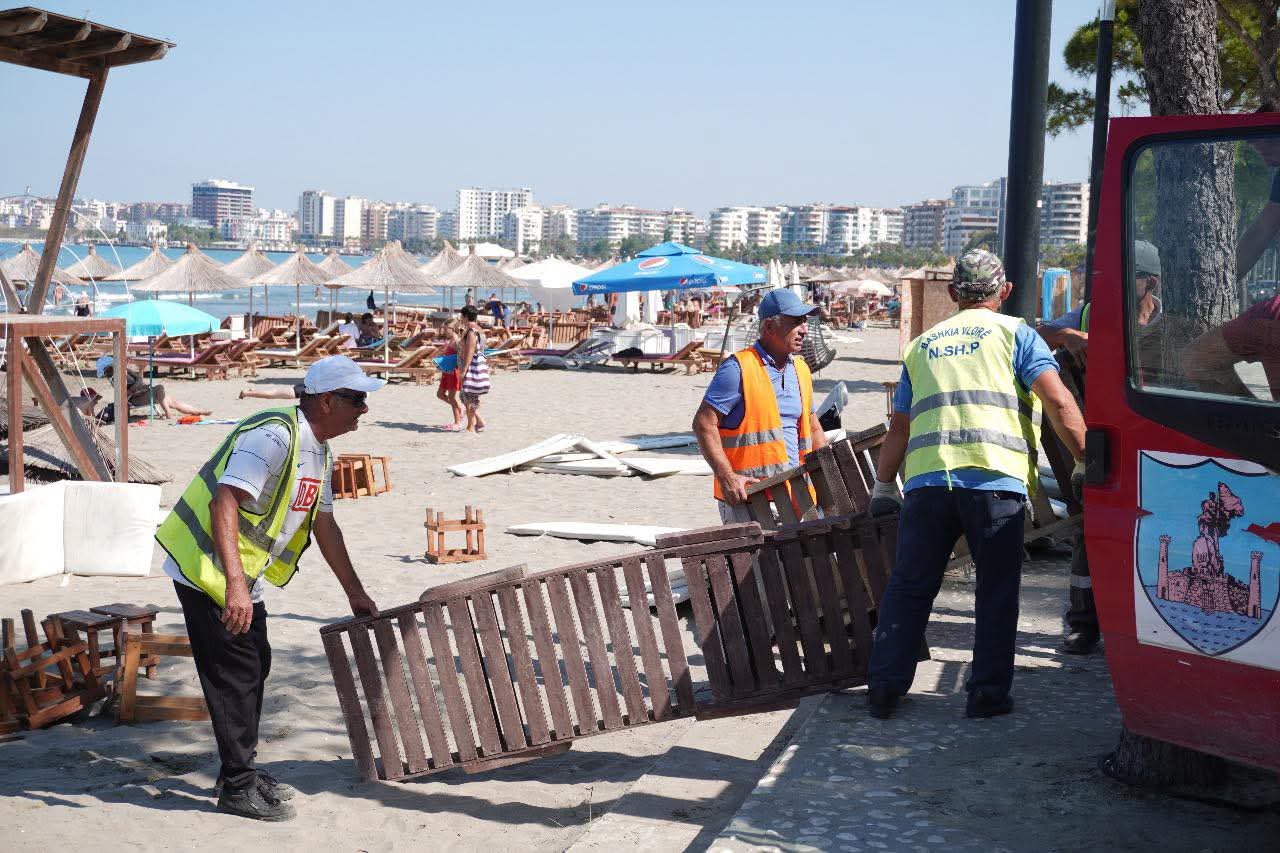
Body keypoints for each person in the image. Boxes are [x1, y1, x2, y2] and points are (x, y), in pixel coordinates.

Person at [155, 355, 382, 821]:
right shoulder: (273, 434)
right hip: (207, 569)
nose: (363, 409)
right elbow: (225, 500)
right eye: (356, 400)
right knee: (235, 674)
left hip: (239, 573)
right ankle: (237, 785)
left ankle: (239, 769)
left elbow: (325, 524)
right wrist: (235, 587)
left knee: (256, 665)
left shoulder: (318, 447)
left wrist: (355, 593)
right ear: (325, 401)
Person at [865, 249, 1086, 720]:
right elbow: (1060, 404)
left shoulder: (921, 346)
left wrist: (884, 487)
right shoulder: (1017, 335)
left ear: (952, 294)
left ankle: (884, 688)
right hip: (994, 485)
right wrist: (1087, 461)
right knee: (996, 590)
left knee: (909, 587)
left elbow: (899, 428)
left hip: (926, 484)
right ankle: (986, 694)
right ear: (1003, 292)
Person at [1035, 240, 1162, 654]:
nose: (1116, 287)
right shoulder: (1089, 314)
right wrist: (1067, 335)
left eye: (1129, 278)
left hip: (1152, 442)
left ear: (1151, 283)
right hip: (1099, 443)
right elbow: (1035, 336)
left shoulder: (1168, 323)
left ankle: (1147, 627)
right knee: (1092, 532)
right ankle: (1083, 624)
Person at [693, 289, 829, 522]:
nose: (804, 329)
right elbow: (704, 424)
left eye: (804, 322)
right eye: (796, 322)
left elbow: (813, 428)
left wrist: (829, 473)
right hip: (750, 500)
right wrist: (727, 477)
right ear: (769, 327)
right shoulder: (738, 368)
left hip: (795, 496)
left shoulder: (801, 370)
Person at [95, 355, 211, 421]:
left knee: (172, 401)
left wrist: (139, 375)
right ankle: (168, 414)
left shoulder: (123, 371)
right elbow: (127, 392)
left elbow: (138, 380)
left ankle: (199, 412)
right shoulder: (116, 377)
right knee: (160, 388)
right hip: (136, 398)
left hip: (143, 393)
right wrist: (137, 387)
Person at [456, 305, 490, 432]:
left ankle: (470, 427)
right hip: (477, 367)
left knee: (469, 397)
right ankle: (479, 422)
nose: (460, 318)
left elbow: (470, 351)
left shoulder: (471, 332)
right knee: (466, 396)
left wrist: (464, 370)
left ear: (465, 316)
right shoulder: (479, 330)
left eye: (461, 316)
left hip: (471, 368)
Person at [436, 317, 465, 431]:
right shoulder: (451, 341)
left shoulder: (457, 341)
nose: (444, 331)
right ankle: (460, 409)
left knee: (452, 397)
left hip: (453, 372)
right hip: (447, 372)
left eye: (445, 329)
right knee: (440, 394)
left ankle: (457, 422)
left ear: (452, 329)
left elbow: (462, 356)